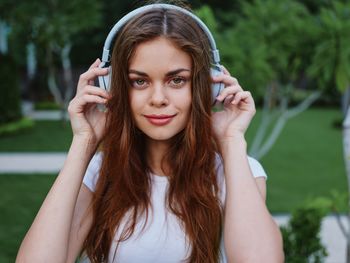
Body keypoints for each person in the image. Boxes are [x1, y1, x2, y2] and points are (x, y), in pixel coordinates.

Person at [16, 1, 284, 263]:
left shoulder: (236, 172)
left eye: (177, 80)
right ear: (113, 88)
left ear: (206, 87)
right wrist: (83, 143)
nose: (158, 98)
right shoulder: (99, 173)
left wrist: (231, 140)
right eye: (139, 81)